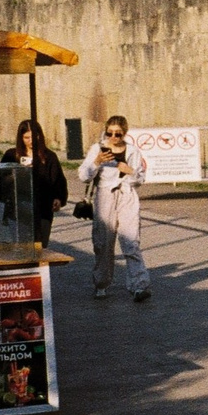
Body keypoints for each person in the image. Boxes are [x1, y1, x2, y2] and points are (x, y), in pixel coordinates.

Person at [77, 116, 152, 303]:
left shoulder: (133, 151)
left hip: (127, 195)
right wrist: (97, 162)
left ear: (124, 133)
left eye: (118, 134)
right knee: (103, 242)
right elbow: (83, 176)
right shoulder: (97, 149)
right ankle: (101, 283)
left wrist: (130, 172)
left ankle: (138, 285)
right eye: (110, 133)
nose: (113, 137)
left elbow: (140, 179)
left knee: (131, 241)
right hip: (105, 196)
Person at [0, 118, 69, 247]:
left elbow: (57, 179)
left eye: (35, 136)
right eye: (27, 137)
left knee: (40, 246)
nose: (31, 141)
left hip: (42, 208)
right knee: (22, 246)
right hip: (19, 207)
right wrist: (16, 176)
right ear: (21, 138)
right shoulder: (12, 155)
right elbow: (1, 178)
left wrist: (58, 198)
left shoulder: (49, 156)